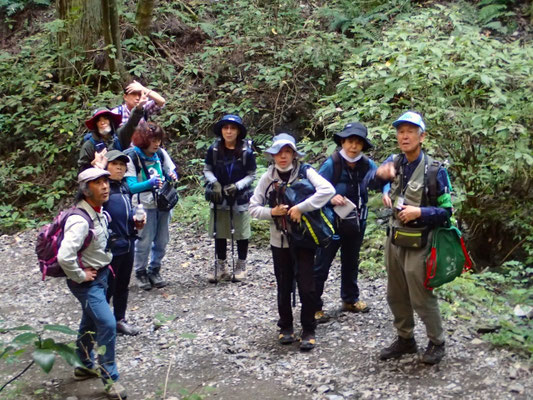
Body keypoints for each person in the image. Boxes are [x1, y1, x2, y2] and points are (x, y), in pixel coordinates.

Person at [374, 111, 453, 365]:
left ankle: (436, 341)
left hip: (421, 241)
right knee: (395, 293)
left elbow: (446, 212)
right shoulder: (394, 162)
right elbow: (369, 182)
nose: (404, 136)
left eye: (410, 131)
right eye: (400, 131)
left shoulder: (434, 171)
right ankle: (405, 339)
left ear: (422, 136)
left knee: (421, 295)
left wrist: (420, 211)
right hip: (395, 236)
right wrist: (380, 179)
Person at [249, 133, 335, 351]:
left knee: (307, 286)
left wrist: (300, 207)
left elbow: (328, 190)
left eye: (287, 152)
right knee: (284, 285)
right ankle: (285, 326)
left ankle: (308, 328)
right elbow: (252, 208)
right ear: (273, 156)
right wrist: (272, 212)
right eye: (278, 152)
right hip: (279, 242)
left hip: (305, 239)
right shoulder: (268, 178)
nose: (283, 156)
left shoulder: (306, 172)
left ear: (294, 154)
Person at [57, 168, 127, 399]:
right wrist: (80, 275)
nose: (105, 186)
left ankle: (83, 365)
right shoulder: (79, 220)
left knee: (90, 319)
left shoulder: (98, 211)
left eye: (106, 181)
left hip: (102, 275)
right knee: (107, 323)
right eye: (98, 183)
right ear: (86, 190)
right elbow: (64, 256)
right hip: (88, 283)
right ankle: (110, 380)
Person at [313, 122, 380, 323]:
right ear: (343, 142)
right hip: (331, 222)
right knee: (322, 263)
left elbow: (380, 181)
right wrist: (330, 197)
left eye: (358, 143)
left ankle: (350, 299)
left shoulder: (368, 165)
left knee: (351, 261)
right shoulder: (331, 164)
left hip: (356, 222)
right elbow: (313, 188)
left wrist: (386, 191)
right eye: (350, 142)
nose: (353, 147)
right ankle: (314, 306)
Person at [124, 122, 177, 290]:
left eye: (158, 140)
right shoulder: (132, 157)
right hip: (143, 206)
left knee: (162, 239)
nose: (156, 144)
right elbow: (131, 186)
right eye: (152, 140)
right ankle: (140, 272)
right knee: (144, 240)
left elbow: (172, 171)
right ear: (142, 140)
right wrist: (150, 183)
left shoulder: (160, 154)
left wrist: (171, 176)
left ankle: (155, 269)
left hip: (163, 203)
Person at [204, 115, 256, 283]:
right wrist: (215, 183)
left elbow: (251, 175)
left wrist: (237, 185)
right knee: (219, 231)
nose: (228, 131)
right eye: (225, 128)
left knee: (241, 232)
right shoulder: (214, 149)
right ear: (221, 130)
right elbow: (207, 169)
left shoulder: (246, 152)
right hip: (219, 197)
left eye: (232, 128)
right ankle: (221, 266)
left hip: (239, 197)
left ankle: (241, 265)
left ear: (238, 131)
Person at [99, 150, 145, 336]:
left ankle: (119, 319)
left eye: (122, 165)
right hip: (110, 245)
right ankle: (100, 324)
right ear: (106, 166)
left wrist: (137, 222)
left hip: (128, 241)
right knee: (106, 286)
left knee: (123, 284)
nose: (119, 167)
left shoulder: (124, 186)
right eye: (114, 164)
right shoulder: (102, 187)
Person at [78, 98, 147, 172]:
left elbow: (132, 123)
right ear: (95, 125)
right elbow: (81, 170)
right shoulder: (89, 145)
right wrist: (92, 165)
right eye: (99, 120)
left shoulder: (120, 136)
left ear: (111, 121)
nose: (102, 122)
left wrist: (139, 108)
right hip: (101, 181)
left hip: (121, 178)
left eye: (105, 119)